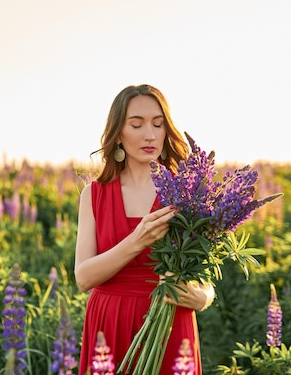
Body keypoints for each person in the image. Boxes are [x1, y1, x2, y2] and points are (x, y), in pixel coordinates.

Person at [75, 84, 215, 374]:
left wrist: (202, 298)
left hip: (170, 321)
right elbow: (84, 277)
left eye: (158, 124)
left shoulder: (187, 193)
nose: (149, 134)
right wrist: (137, 241)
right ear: (118, 133)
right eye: (136, 124)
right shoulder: (94, 195)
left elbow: (206, 273)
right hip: (109, 323)